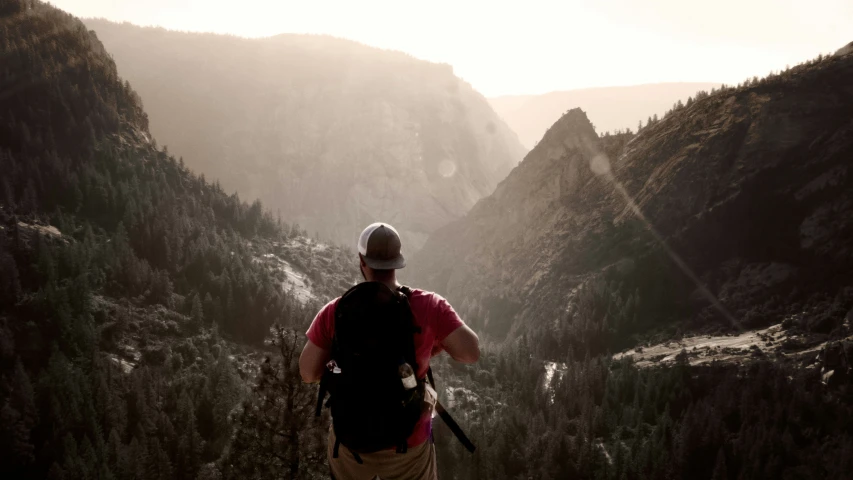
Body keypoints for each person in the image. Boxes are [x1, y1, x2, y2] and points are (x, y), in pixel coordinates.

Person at [299, 222, 480, 480]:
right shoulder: (430, 306)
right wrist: (430, 348)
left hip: (352, 442)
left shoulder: (336, 311)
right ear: (398, 261)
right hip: (409, 441)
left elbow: (307, 372)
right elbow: (470, 353)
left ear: (362, 261)